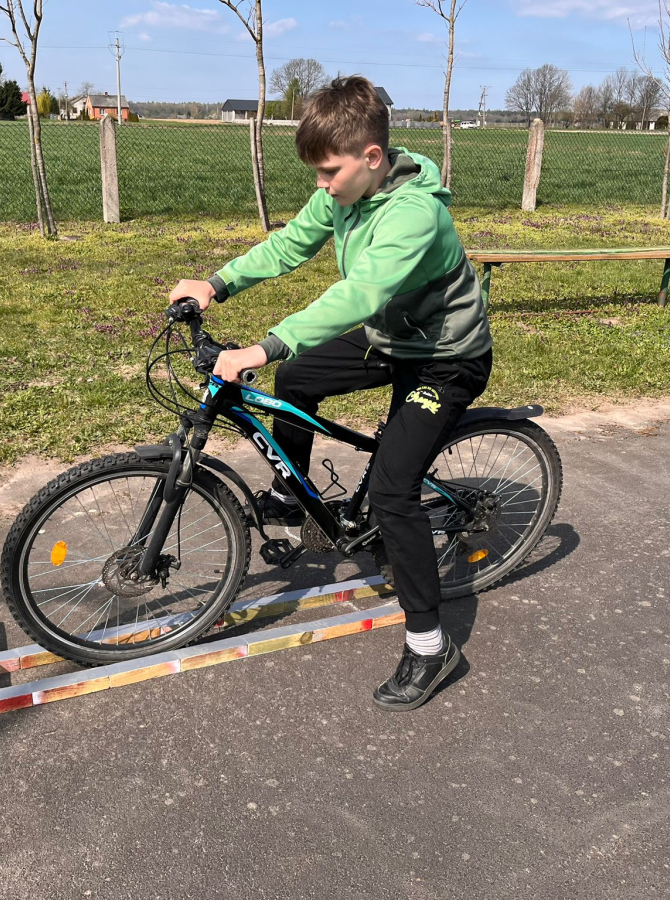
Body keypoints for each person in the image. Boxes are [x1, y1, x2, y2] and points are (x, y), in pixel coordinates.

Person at [167, 75, 492, 712]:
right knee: (298, 380)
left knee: (394, 493)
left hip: (444, 359)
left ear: (371, 157)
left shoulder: (415, 213)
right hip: (391, 337)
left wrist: (265, 345)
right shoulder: (346, 194)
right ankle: (296, 496)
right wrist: (216, 283)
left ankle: (431, 646)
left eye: (327, 171)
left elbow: (359, 295)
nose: (321, 185)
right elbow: (291, 243)